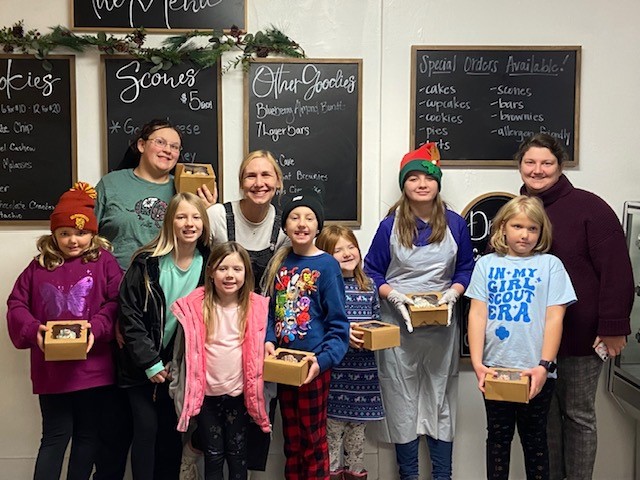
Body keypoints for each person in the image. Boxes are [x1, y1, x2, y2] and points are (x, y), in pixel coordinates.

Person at [94, 119, 215, 480]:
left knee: (165, 430)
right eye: (160, 142)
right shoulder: (111, 185)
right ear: (140, 144)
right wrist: (110, 316)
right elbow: (87, 242)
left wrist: (211, 209)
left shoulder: (186, 190)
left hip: (171, 343)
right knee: (118, 427)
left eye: (176, 146)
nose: (168, 150)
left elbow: (210, 240)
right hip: (118, 316)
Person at [515, 133, 634, 480]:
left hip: (581, 338)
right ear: (520, 167)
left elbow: (617, 270)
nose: (538, 170)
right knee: (546, 418)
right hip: (535, 338)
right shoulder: (519, 211)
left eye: (546, 163)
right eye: (530, 162)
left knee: (578, 416)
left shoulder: (590, 208)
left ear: (560, 166)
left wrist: (613, 326)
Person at [364, 143, 474, 480]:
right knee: (401, 397)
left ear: (438, 183)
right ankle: (408, 475)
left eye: (427, 177)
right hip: (398, 323)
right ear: (404, 185)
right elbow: (371, 271)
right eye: (412, 178)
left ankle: (443, 475)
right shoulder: (389, 227)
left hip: (441, 325)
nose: (421, 184)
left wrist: (454, 294)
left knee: (440, 397)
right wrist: (394, 296)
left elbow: (466, 269)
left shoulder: (455, 224)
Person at [7, 182, 122, 480]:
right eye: (65, 233)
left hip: (93, 368)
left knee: (88, 436)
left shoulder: (104, 263)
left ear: (93, 233)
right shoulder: (38, 267)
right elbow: (16, 305)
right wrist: (36, 331)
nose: (73, 240)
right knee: (56, 436)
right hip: (52, 371)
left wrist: (96, 328)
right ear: (53, 235)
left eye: (81, 233)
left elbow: (115, 302)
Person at [465, 195, 577, 479]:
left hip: (535, 370)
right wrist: (478, 363)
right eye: (517, 226)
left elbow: (555, 317)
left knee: (535, 441)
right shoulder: (487, 265)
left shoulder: (551, 265)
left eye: (532, 229)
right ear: (503, 227)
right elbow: (477, 314)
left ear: (541, 232)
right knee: (498, 440)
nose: (525, 235)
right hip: (495, 368)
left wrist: (544, 365)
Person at [204, 150, 290, 473]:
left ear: (277, 182)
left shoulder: (284, 228)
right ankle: (192, 459)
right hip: (220, 333)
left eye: (266, 175)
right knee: (210, 416)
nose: (259, 183)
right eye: (251, 176)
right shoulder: (215, 216)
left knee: (255, 415)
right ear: (240, 182)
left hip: (261, 334)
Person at [117, 192, 212, 480]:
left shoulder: (210, 264)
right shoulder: (146, 264)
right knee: (146, 432)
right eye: (181, 216)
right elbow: (129, 316)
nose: (189, 223)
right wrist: (150, 362)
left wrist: (177, 364)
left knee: (174, 436)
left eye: (196, 216)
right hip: (140, 367)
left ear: (204, 223)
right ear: (170, 221)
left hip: (181, 369)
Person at [262, 189, 350, 480]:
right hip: (284, 366)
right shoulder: (280, 262)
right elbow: (273, 312)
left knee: (312, 439)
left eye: (309, 218)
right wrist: (269, 342)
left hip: (313, 366)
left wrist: (322, 361)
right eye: (294, 217)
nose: (301, 223)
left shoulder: (327, 266)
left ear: (317, 226)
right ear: (285, 226)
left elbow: (339, 325)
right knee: (292, 438)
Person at [169, 242, 271, 480]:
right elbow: (180, 353)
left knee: (238, 454)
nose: (229, 275)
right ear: (211, 272)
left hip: (239, 396)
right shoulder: (194, 307)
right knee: (213, 454)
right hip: (206, 398)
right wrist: (177, 389)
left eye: (237, 269)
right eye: (223, 268)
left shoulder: (256, 307)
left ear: (246, 273)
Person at [316, 225, 385, 480]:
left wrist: (373, 335)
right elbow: (318, 327)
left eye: (350, 246)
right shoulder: (326, 286)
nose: (346, 253)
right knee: (330, 441)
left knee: (357, 444)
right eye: (337, 250)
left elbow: (376, 321)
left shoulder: (369, 285)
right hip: (334, 378)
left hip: (362, 378)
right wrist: (344, 334)